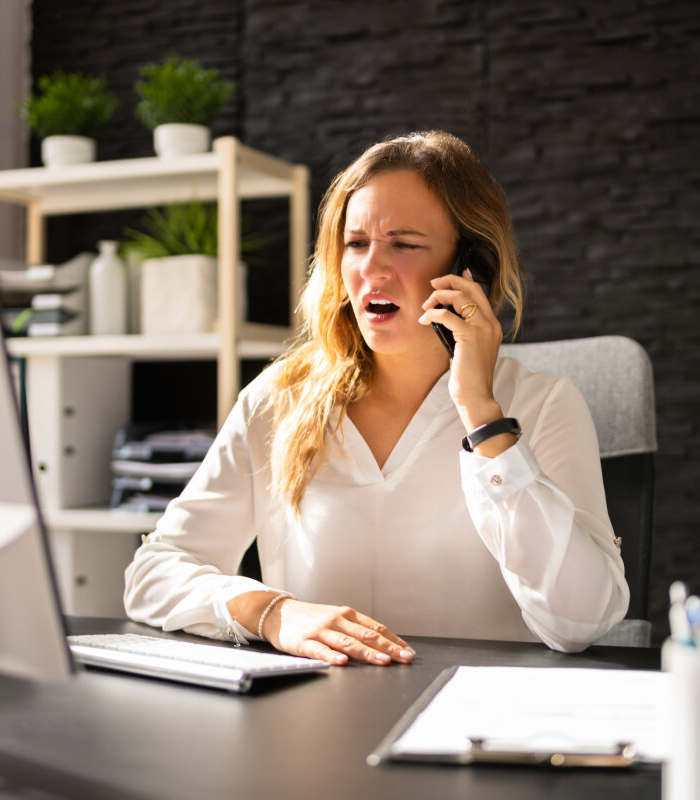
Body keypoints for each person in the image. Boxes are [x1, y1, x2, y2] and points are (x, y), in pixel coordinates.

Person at [124, 130, 629, 666]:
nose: (371, 269)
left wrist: (483, 417)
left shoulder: (546, 404)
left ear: (469, 267)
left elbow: (582, 620)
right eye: (356, 243)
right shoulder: (279, 400)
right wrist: (271, 611)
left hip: (474, 730)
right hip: (317, 726)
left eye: (405, 244)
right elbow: (154, 571)